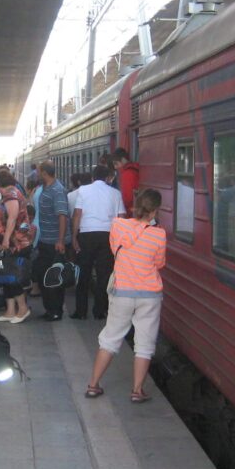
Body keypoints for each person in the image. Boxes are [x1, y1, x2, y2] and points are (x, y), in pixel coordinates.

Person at [85, 189, 166, 403]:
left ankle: (93, 385)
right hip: (149, 294)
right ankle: (137, 391)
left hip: (122, 292)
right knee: (144, 344)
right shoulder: (159, 233)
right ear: (155, 210)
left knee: (110, 339)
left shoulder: (118, 226)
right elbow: (159, 263)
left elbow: (115, 250)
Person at [71, 164, 126, 320]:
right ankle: (99, 311)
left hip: (87, 234)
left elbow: (77, 215)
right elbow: (121, 217)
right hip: (107, 235)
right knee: (104, 275)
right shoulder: (115, 193)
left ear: (93, 177)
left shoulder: (83, 190)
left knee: (84, 273)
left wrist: (75, 236)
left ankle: (81, 312)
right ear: (108, 178)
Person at [0, 170, 34, 324]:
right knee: (6, 276)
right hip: (11, 243)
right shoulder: (10, 193)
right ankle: (10, 311)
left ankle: (23, 308)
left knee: (13, 276)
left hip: (16, 243)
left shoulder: (11, 195)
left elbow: (12, 219)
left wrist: (5, 241)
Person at [36, 161, 70, 321]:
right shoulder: (46, 188)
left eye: (38, 172)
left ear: (44, 173)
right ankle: (51, 309)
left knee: (53, 278)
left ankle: (55, 311)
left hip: (54, 243)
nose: (36, 174)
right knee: (44, 276)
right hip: (46, 240)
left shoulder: (57, 190)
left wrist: (61, 240)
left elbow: (62, 215)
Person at [112, 148, 141, 214]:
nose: (115, 167)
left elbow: (128, 198)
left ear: (123, 159)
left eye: (116, 163)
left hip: (130, 212)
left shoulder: (127, 174)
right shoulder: (134, 169)